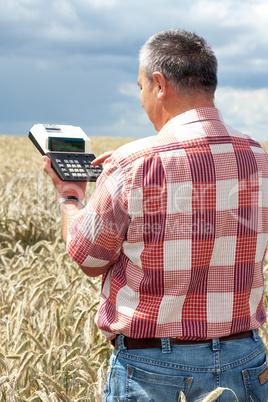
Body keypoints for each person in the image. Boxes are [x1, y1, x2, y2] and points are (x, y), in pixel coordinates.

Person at [43, 28, 268, 401]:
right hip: (245, 359)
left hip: (154, 367)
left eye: (140, 87)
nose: (141, 99)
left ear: (159, 84)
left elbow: (89, 257)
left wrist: (70, 197)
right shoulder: (259, 158)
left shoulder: (134, 163)